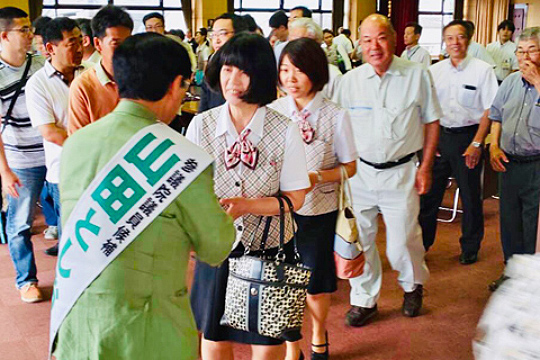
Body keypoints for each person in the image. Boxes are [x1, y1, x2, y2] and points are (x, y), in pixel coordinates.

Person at [51, 32, 236, 360]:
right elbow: (215, 247)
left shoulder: (76, 144)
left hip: (77, 318)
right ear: (175, 84)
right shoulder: (180, 156)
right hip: (146, 330)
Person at [187, 33, 309, 360]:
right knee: (213, 336)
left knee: (266, 339)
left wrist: (246, 207)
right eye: (227, 69)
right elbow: (190, 191)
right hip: (217, 248)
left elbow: (295, 198)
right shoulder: (201, 126)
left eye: (243, 71)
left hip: (269, 250)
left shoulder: (285, 129)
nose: (233, 80)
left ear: (261, 76)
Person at [335, 14, 441, 326]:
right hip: (360, 175)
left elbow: (432, 121)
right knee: (361, 239)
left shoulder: (417, 75)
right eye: (366, 39)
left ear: (394, 39)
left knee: (402, 242)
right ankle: (364, 299)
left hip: (402, 172)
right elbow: (338, 127)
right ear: (359, 45)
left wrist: (427, 166)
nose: (374, 46)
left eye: (380, 37)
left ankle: (412, 285)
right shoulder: (349, 81)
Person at [269, 38, 357, 360]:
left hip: (319, 210)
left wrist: (317, 177)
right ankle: (293, 346)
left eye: (299, 70)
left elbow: (350, 167)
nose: (290, 78)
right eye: (285, 70)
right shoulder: (272, 112)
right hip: (278, 213)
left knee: (315, 283)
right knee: (284, 282)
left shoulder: (335, 116)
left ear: (316, 73)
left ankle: (319, 334)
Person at [420, 19, 498, 264]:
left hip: (468, 138)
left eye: (460, 37)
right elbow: (426, 109)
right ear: (445, 41)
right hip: (440, 137)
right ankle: (422, 244)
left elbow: (489, 110)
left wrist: (476, 144)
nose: (455, 42)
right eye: (450, 38)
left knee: (470, 196)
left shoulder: (482, 70)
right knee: (429, 196)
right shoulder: (434, 71)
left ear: (469, 39)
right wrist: (428, 144)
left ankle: (470, 247)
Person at [26, 17, 84, 258]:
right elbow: (50, 132)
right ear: (51, 48)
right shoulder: (37, 85)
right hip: (65, 172)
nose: (80, 48)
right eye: (72, 43)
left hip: (100, 167)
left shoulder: (90, 74)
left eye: (81, 41)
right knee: (71, 231)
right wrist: (94, 144)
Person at [488, 27, 540, 291]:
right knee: (509, 223)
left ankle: (531, 282)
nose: (524, 57)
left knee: (533, 227)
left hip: (536, 166)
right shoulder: (509, 82)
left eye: (531, 50)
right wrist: (493, 146)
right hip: (508, 163)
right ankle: (511, 273)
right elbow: (496, 116)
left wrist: (539, 83)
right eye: (520, 51)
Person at [0, 7, 47, 303]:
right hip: (21, 161)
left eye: (30, 28)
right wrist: (4, 171)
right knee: (20, 223)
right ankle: (26, 280)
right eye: (24, 30)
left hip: (55, 154)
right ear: (4, 35)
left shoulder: (41, 63)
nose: (31, 35)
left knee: (70, 217)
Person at [68, 5, 133, 134]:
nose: (125, 49)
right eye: (116, 43)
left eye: (128, 42)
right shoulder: (83, 86)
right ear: (98, 44)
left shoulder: (141, 78)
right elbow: (78, 140)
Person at [198, 13, 248, 113]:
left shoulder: (250, 68)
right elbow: (203, 111)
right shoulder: (212, 68)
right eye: (213, 35)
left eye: (223, 34)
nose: (217, 40)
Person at [288, 18, 342, 101]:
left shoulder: (332, 75)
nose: (293, 48)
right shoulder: (286, 72)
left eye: (299, 42)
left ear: (316, 43)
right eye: (291, 42)